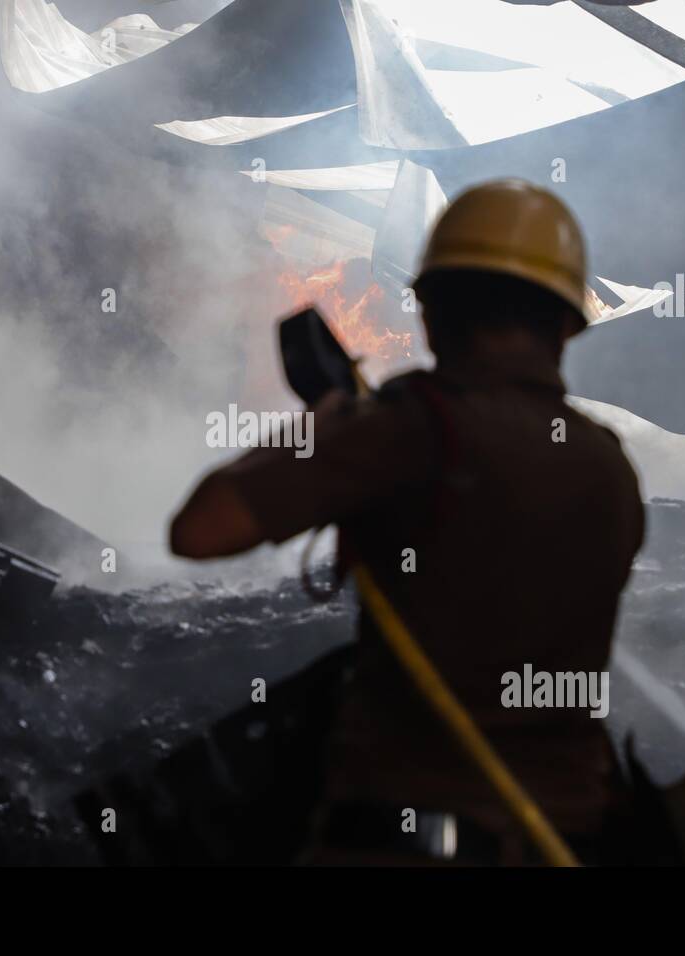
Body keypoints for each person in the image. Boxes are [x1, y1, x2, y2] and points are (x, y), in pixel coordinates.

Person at [170, 179, 645, 864]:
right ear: (565, 325)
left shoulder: (411, 430)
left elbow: (200, 530)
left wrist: (325, 429)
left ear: (433, 311)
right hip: (562, 841)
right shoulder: (610, 468)